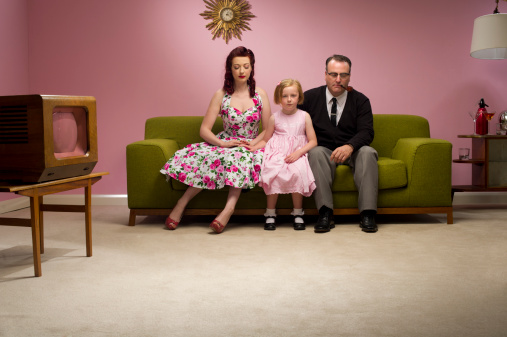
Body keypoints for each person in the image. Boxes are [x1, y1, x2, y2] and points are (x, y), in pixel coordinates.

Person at [160, 46, 271, 234]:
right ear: (230, 69)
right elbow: (204, 130)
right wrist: (223, 143)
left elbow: (269, 128)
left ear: (252, 68)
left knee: (239, 157)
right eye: (236, 67)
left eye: (246, 66)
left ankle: (228, 210)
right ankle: (182, 203)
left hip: (252, 144)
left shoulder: (260, 94)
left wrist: (253, 144)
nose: (241, 71)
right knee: (209, 158)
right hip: (226, 142)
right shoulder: (221, 95)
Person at [298, 54, 378, 233]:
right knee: (316, 152)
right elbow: (292, 121)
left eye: (343, 75)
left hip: (353, 150)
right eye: (333, 74)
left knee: (368, 152)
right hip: (324, 150)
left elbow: (367, 131)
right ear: (325, 74)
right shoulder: (309, 98)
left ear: (349, 76)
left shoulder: (361, 100)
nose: (338, 79)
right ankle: (325, 213)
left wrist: (350, 146)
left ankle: (368, 213)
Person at [247, 79, 317, 231]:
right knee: (272, 171)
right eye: (285, 96)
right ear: (279, 98)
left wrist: (298, 153)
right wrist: (252, 147)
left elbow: (313, 141)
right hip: (277, 153)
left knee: (299, 172)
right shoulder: (275, 117)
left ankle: (298, 213)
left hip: (297, 154)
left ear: (299, 97)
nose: (289, 99)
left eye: (293, 95)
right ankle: (270, 213)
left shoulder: (304, 116)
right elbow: (265, 139)